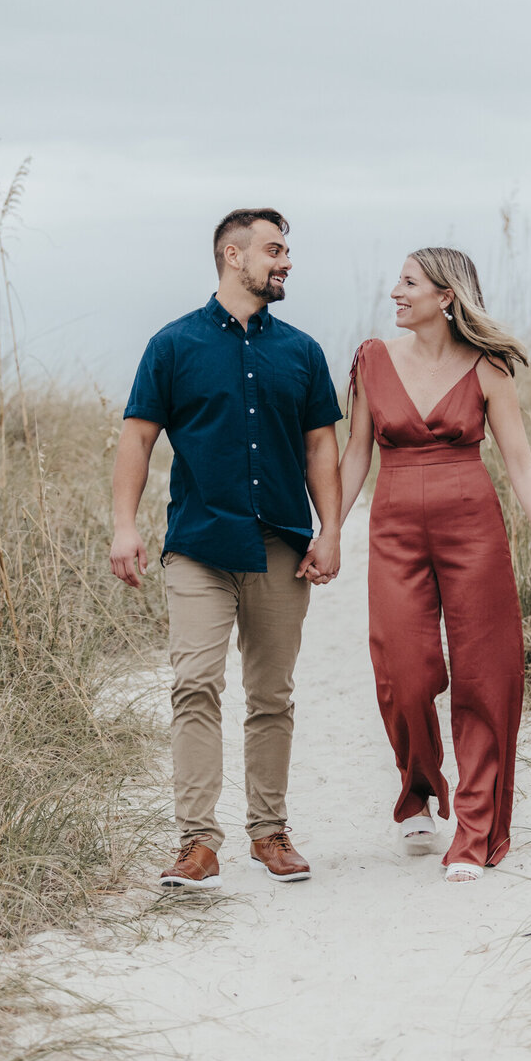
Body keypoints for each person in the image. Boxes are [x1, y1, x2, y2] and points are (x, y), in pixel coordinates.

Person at [110, 208, 342, 891]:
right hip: (199, 547)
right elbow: (137, 436)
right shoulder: (173, 345)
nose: (286, 262)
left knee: (272, 695)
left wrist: (329, 531)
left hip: (278, 545)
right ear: (232, 256)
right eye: (275, 250)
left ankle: (269, 834)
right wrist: (125, 526)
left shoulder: (300, 351)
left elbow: (320, 445)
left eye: (287, 250)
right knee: (195, 687)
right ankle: (197, 844)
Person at [337, 247, 531, 883]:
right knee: (405, 669)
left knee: (484, 675)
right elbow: (356, 454)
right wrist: (328, 530)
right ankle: (419, 788)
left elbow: (520, 460)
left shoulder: (489, 369)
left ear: (446, 297)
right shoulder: (372, 359)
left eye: (407, 283)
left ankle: (474, 828)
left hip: (474, 529)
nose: (394, 293)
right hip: (395, 530)